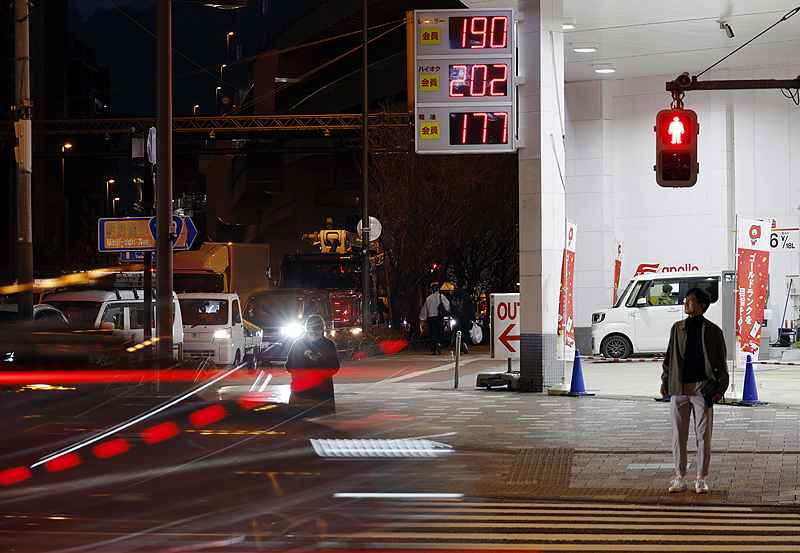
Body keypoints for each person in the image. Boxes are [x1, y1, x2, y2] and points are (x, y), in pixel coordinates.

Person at [660, 287, 729, 494]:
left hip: (703, 387)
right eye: (686, 300)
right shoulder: (677, 328)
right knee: (678, 435)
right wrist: (665, 383)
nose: (686, 303)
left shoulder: (713, 331)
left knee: (703, 434)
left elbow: (721, 362)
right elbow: (669, 358)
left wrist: (721, 388)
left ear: (702, 305)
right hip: (679, 387)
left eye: (691, 300)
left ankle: (701, 477)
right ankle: (680, 477)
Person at [285, 314, 340, 413]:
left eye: (317, 332)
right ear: (306, 329)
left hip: (323, 394)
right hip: (302, 393)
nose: (314, 335)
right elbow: (289, 366)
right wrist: (304, 357)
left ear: (322, 330)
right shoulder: (298, 344)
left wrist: (319, 360)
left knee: (323, 425)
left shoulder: (328, 344)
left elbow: (335, 367)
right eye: (312, 331)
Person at [420, 283, 450, 355]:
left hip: (431, 317)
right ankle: (439, 343)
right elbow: (447, 305)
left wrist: (422, 319)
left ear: (431, 290)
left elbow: (424, 309)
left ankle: (433, 349)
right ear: (438, 289)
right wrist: (448, 311)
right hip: (439, 316)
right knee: (440, 332)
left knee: (432, 334)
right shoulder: (441, 296)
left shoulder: (428, 298)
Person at [451, 283, 474, 354]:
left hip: (456, 317)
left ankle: (459, 348)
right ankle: (465, 343)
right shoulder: (466, 295)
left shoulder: (453, 296)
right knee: (466, 331)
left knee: (458, 332)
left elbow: (451, 307)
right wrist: (473, 318)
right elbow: (471, 307)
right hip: (466, 317)